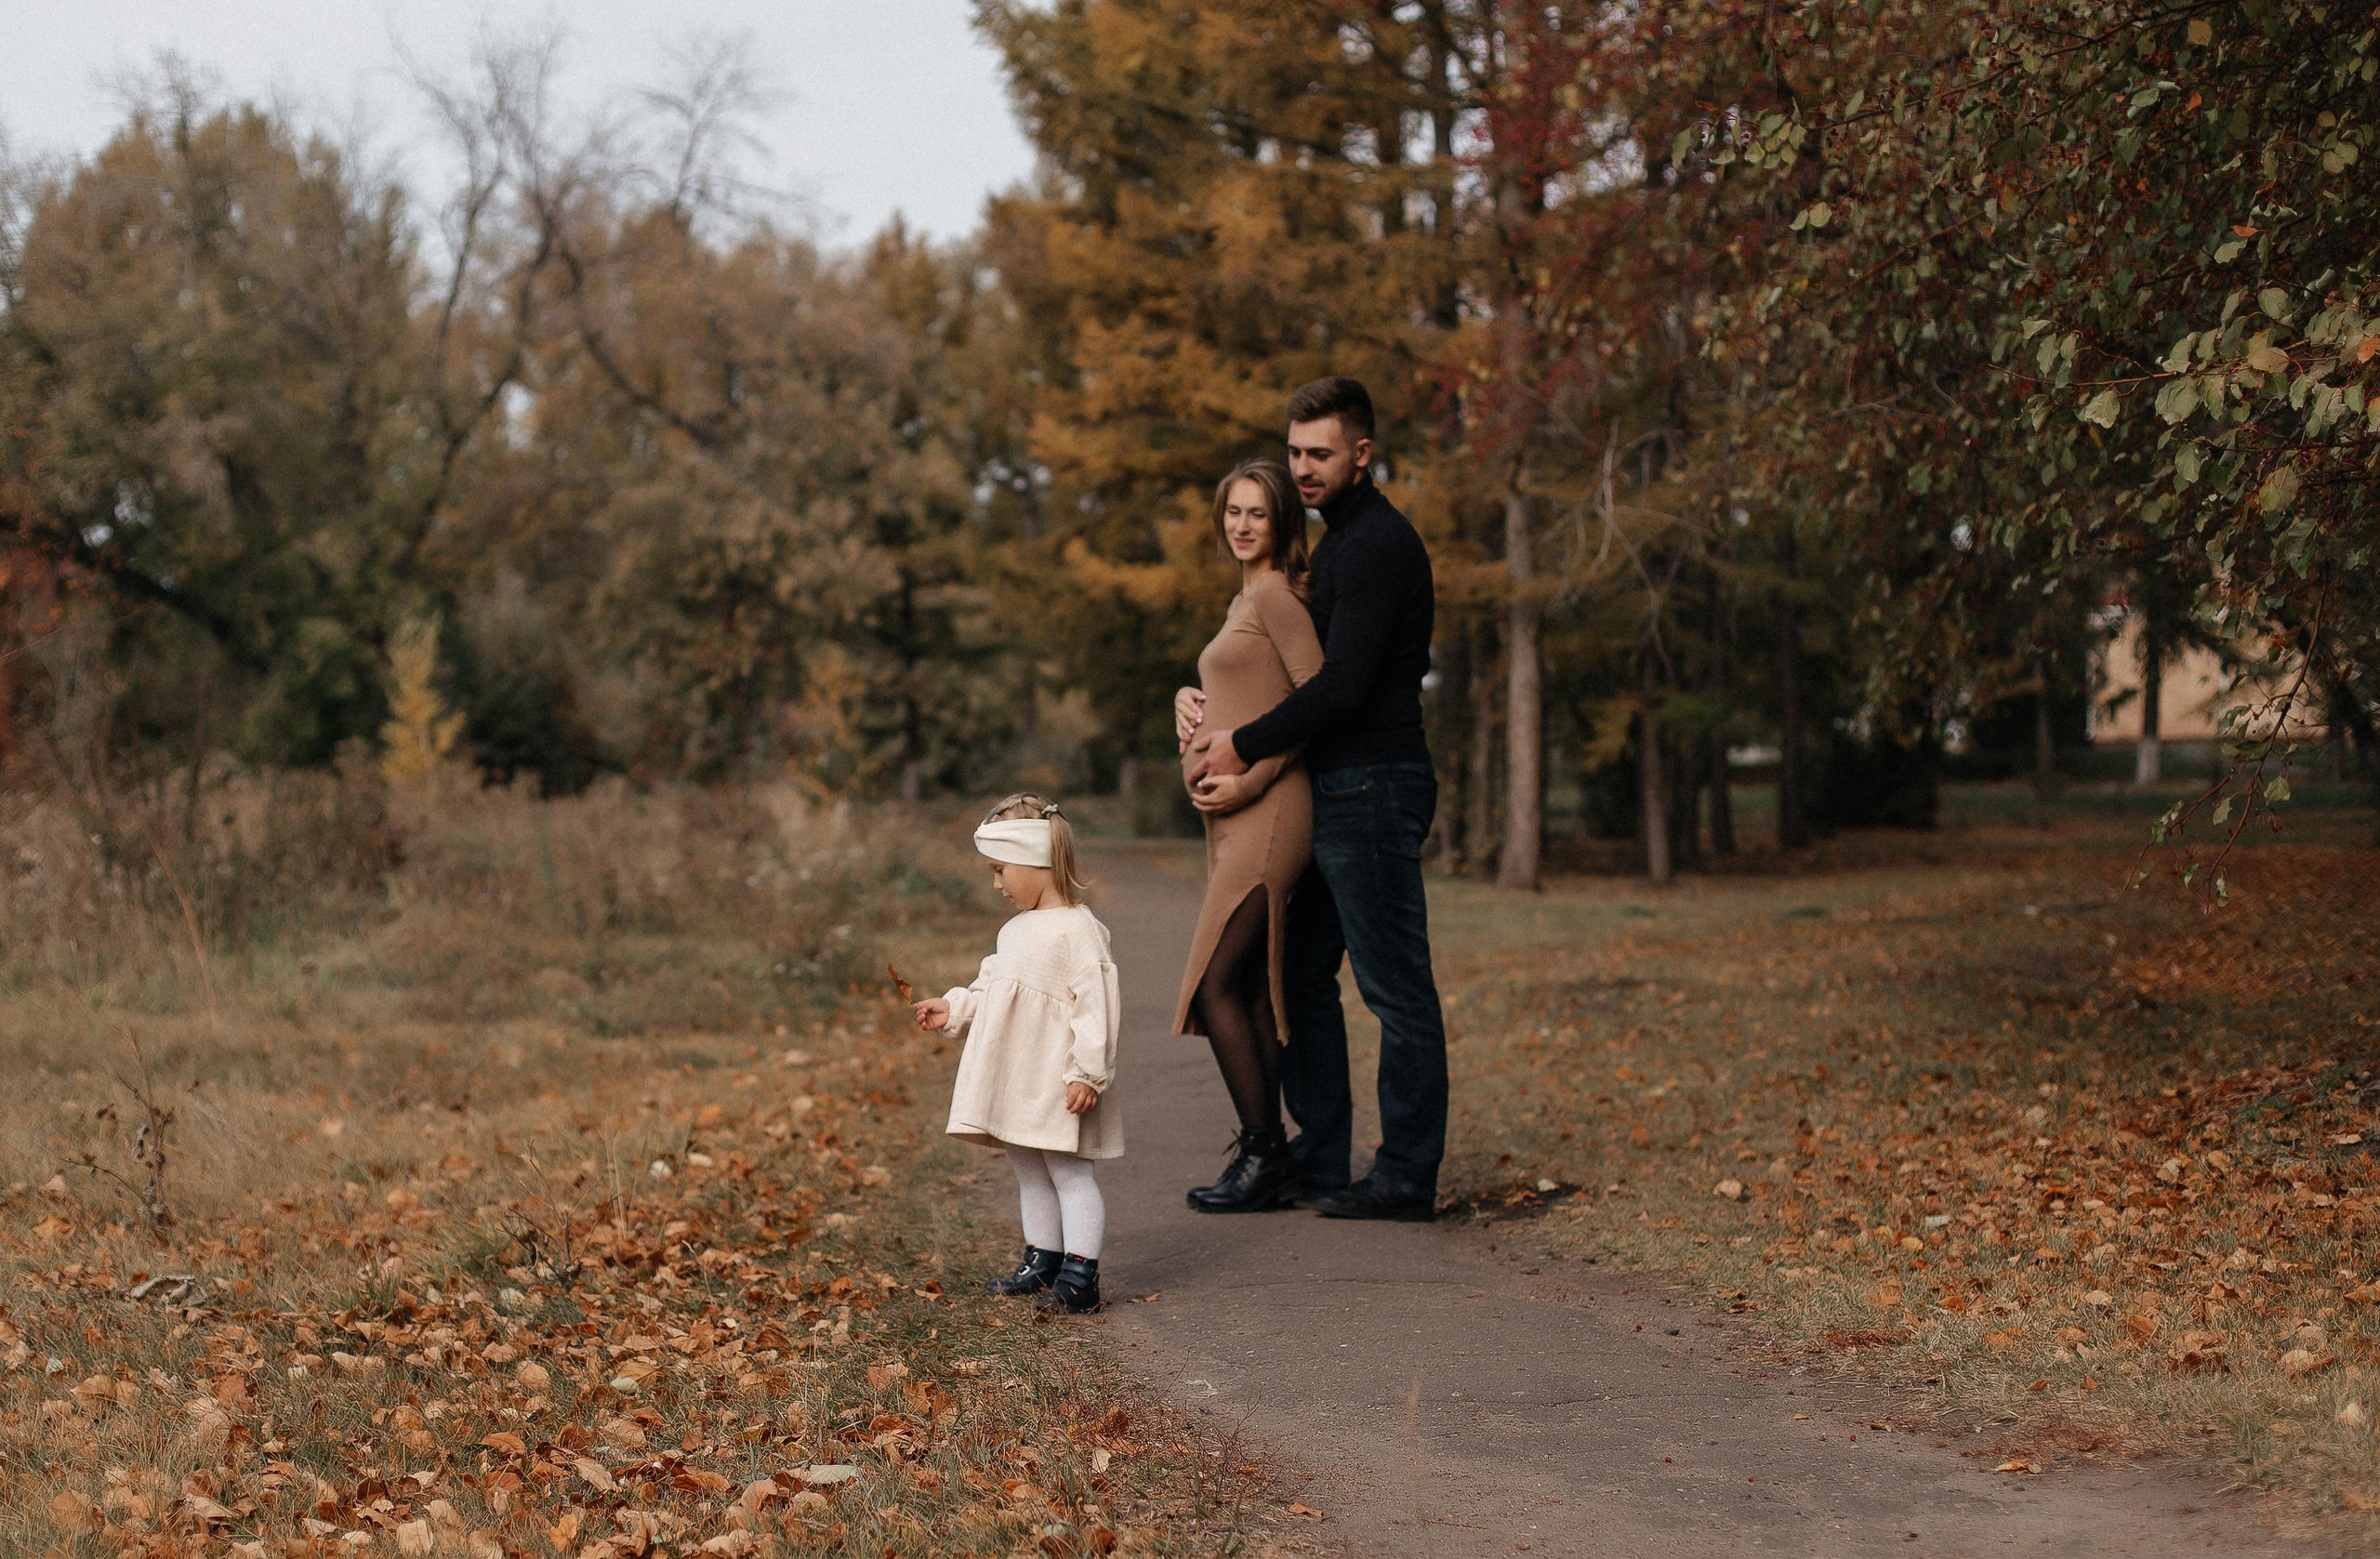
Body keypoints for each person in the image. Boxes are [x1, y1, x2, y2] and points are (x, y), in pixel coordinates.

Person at [1182, 377, 1449, 1222]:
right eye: (1295, 451)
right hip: (1337, 787)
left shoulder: (1374, 545)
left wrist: (1243, 742)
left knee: (1394, 987)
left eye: (1320, 453)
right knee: (1299, 971)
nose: (1303, 467)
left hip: (1376, 783)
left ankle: (1405, 1173)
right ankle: (1320, 1153)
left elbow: (1339, 685)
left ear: (1362, 454)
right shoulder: (1333, 546)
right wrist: (1197, 704)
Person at [1170, 458, 1325, 1212]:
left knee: (1216, 981)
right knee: (1251, 985)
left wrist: (1252, 779)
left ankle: (1265, 1151)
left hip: (1271, 814)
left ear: (1281, 521)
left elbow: (1317, 701)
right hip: (1236, 821)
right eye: (1233, 511)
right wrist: (1186, 698)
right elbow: (1243, 689)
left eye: (1257, 512)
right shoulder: (1244, 599)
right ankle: (1273, 1156)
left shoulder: (1275, 594)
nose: (1242, 524)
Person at [913, 793, 1121, 1313]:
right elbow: (991, 991)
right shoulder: (1014, 931)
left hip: (1058, 1079)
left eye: (1000, 870)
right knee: (1029, 1168)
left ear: (1034, 861)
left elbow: (1096, 1008)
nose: (997, 884)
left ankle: (1081, 1276)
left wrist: (1087, 1074)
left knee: (1070, 1173)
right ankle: (1043, 1260)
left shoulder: (1079, 930)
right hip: (1017, 1076)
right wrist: (954, 1009)